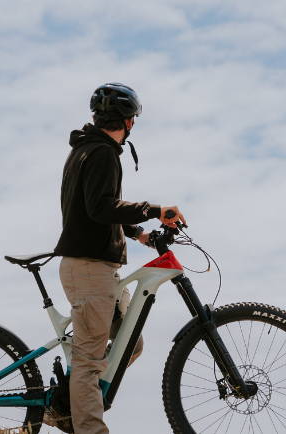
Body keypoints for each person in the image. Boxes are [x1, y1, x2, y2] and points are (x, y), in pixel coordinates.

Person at [52, 82, 186, 434]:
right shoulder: (101, 153)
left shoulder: (87, 150)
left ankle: (68, 404)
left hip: (96, 264)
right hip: (89, 268)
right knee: (90, 360)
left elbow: (92, 208)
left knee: (130, 344)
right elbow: (100, 207)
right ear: (128, 122)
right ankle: (87, 425)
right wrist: (153, 209)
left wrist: (135, 233)